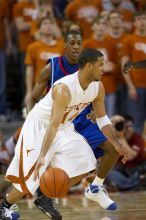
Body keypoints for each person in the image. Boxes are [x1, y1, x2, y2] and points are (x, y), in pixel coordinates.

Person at [0, 48, 128, 220]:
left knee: (86, 161)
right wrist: (43, 157)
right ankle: (4, 206)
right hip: (39, 126)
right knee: (31, 177)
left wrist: (117, 145)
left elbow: (103, 119)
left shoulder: (97, 88)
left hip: (63, 127)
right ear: (89, 66)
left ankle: (47, 198)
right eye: (100, 65)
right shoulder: (64, 89)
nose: (103, 69)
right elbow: (52, 125)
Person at [26, 30, 123, 219]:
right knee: (27, 172)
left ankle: (95, 187)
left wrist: (96, 111)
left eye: (80, 43)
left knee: (112, 148)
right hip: (58, 121)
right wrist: (32, 121)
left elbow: (96, 97)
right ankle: (21, 199)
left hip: (83, 120)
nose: (76, 46)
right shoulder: (51, 68)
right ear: (65, 45)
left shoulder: (91, 68)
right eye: (72, 43)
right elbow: (34, 98)